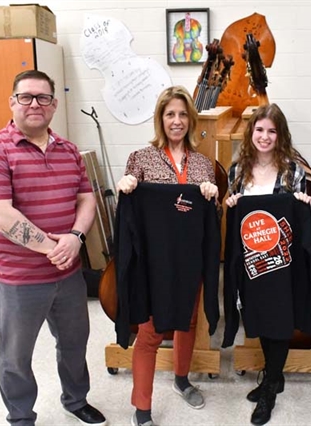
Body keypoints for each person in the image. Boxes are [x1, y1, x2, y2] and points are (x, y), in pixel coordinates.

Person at [0, 70, 107, 426]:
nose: (35, 104)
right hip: (19, 279)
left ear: (54, 104)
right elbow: (0, 213)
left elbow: (86, 199)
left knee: (75, 345)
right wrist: (54, 247)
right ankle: (20, 417)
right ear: (12, 102)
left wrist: (75, 238)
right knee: (15, 356)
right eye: (26, 97)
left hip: (68, 274)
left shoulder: (69, 150)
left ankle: (76, 400)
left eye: (43, 97)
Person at [115, 85, 219, 426]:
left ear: (191, 119)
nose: (177, 121)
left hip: (189, 260)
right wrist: (127, 186)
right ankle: (142, 408)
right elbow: (131, 208)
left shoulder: (203, 164)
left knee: (187, 322)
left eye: (183, 114)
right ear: (161, 119)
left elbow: (210, 218)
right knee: (150, 332)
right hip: (153, 263)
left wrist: (211, 194)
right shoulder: (141, 159)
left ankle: (181, 379)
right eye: (170, 114)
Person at [223, 103, 311, 426]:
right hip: (252, 261)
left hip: (282, 262)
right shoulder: (237, 170)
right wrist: (230, 204)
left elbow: (300, 215)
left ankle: (269, 387)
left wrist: (304, 204)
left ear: (281, 135)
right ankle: (274, 376)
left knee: (279, 318)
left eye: (272, 131)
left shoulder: (293, 170)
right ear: (251, 133)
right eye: (259, 130)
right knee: (259, 316)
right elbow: (232, 212)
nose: (265, 136)